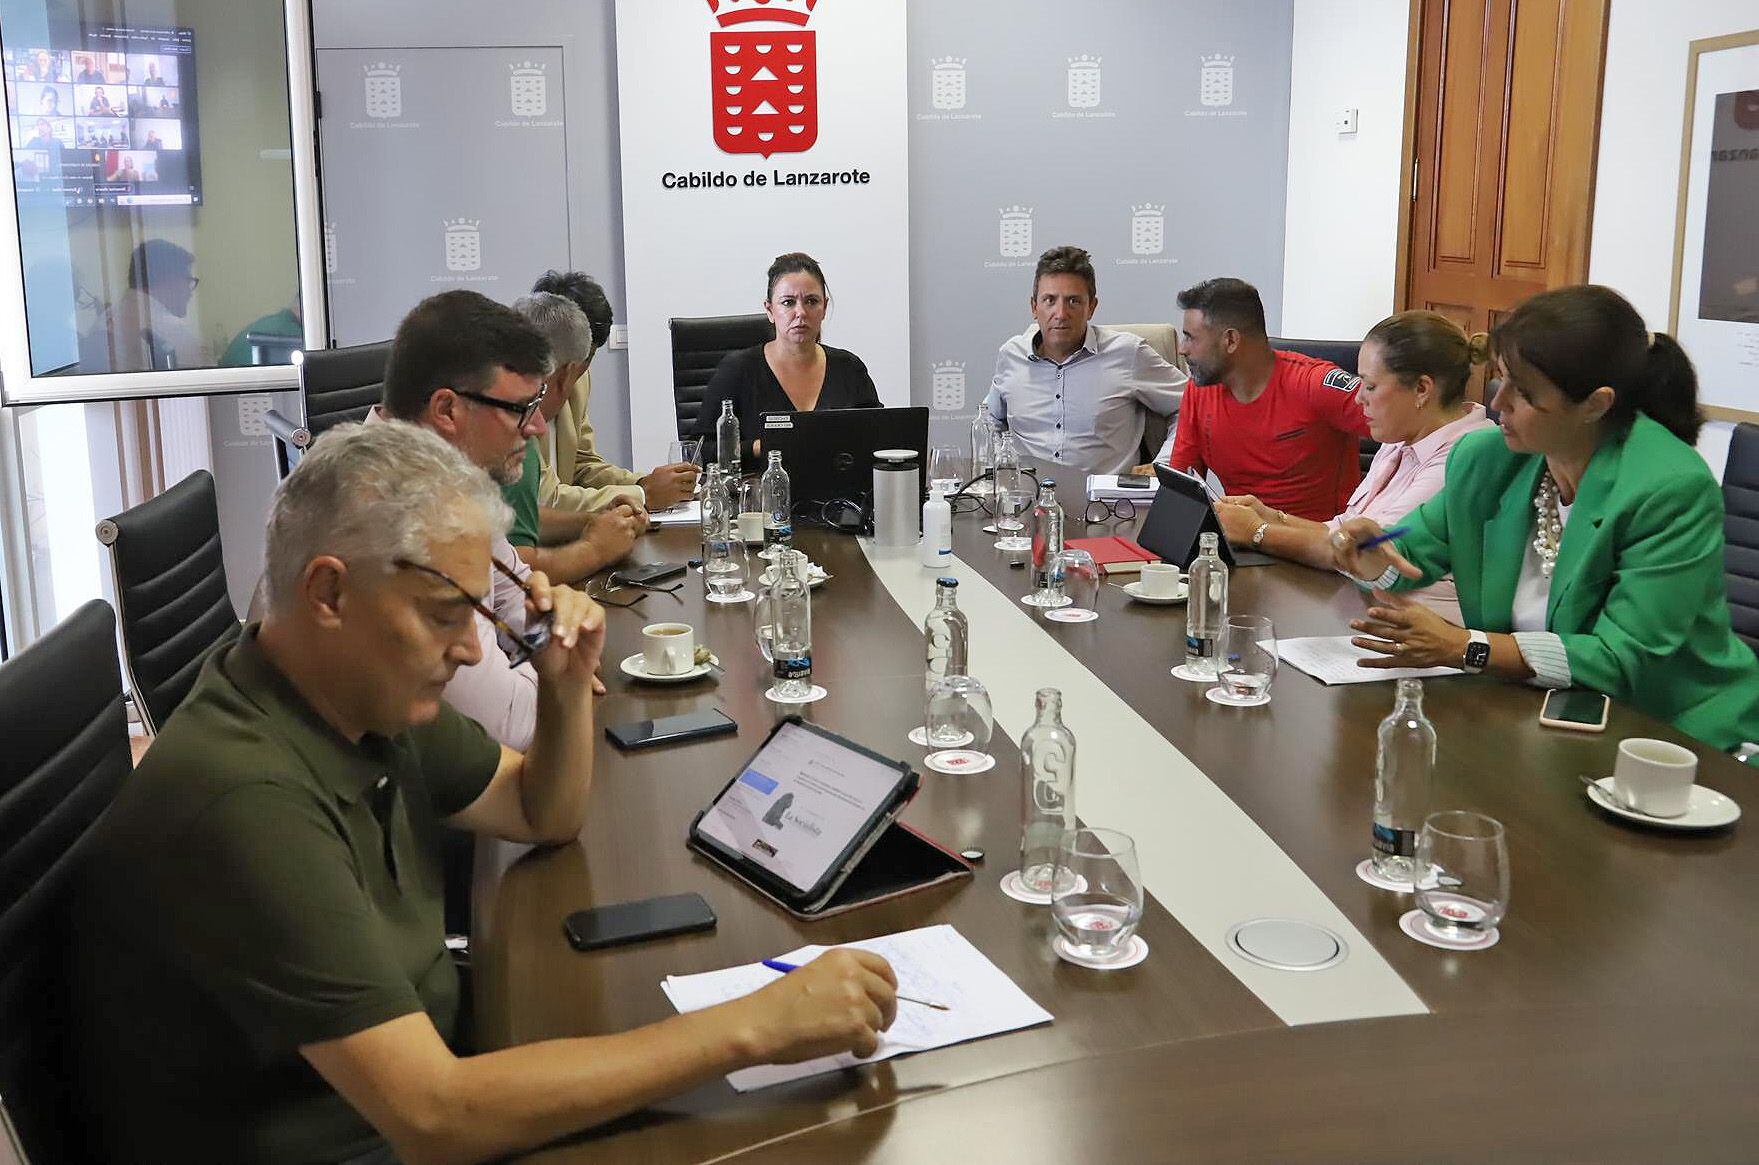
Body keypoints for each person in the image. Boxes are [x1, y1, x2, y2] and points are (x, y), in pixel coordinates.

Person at [71, 420, 900, 1164]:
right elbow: (435, 1117)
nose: (472, 649)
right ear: (328, 592)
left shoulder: (352, 691)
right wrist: (753, 1024)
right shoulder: (243, 800)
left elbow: (542, 811)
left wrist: (567, 687)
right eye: (443, 613)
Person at [1331, 284, 1759, 758]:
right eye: (1501, 380)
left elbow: (1624, 657)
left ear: (1596, 405)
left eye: (1525, 392)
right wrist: (1367, 553)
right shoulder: (1488, 459)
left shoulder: (1668, 487)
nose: (1498, 403)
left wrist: (1466, 647)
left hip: (1671, 733)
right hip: (1537, 722)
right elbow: (1412, 553)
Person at [374, 289, 594, 748]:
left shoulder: (452, 480)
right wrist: (561, 682)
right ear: (448, 410)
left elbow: (519, 598)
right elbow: (512, 726)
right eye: (520, 409)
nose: (536, 428)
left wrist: (554, 665)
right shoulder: (402, 516)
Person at [1214, 311, 1495, 622]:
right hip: (1366, 606)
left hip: (1424, 631)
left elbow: (1365, 552)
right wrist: (1273, 516)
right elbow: (1345, 529)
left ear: (1421, 389)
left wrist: (1257, 532)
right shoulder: (1400, 437)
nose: (1359, 398)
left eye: (1371, 386)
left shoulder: (1466, 454)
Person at [1166, 277, 1372, 521]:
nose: (1182, 349)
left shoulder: (1315, 385)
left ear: (1230, 340)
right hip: (1242, 546)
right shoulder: (1199, 391)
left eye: (1191, 337)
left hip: (1319, 549)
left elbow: (1412, 423)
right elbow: (1182, 489)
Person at [984, 245, 1187, 475]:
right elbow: (990, 420)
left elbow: (1192, 407)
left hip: (1107, 505)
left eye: (1073, 301)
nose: (1060, 313)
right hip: (1029, 501)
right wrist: (1001, 467)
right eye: (1050, 300)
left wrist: (1164, 466)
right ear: (1034, 307)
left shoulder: (1128, 353)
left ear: (1091, 307)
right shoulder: (1011, 356)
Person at [501, 292, 644, 585]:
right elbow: (515, 572)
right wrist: (594, 549)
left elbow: (517, 519)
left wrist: (593, 521)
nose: (537, 427)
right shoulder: (504, 431)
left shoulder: (509, 421)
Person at [692, 251, 880, 473]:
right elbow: (698, 452)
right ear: (770, 310)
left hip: (839, 498)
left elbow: (878, 438)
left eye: (811, 301)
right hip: (758, 498)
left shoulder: (849, 367)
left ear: (824, 307)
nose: (800, 312)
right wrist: (756, 447)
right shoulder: (738, 369)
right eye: (788, 303)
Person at [531, 269, 698, 511]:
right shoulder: (516, 397)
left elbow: (582, 464)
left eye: (587, 355)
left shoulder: (579, 380)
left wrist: (643, 483)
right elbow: (542, 499)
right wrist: (644, 494)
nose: (580, 367)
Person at [83, 239, 209, 373]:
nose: (190, 292)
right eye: (188, 281)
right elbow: (214, 385)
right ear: (169, 280)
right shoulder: (170, 328)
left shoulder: (103, 321)